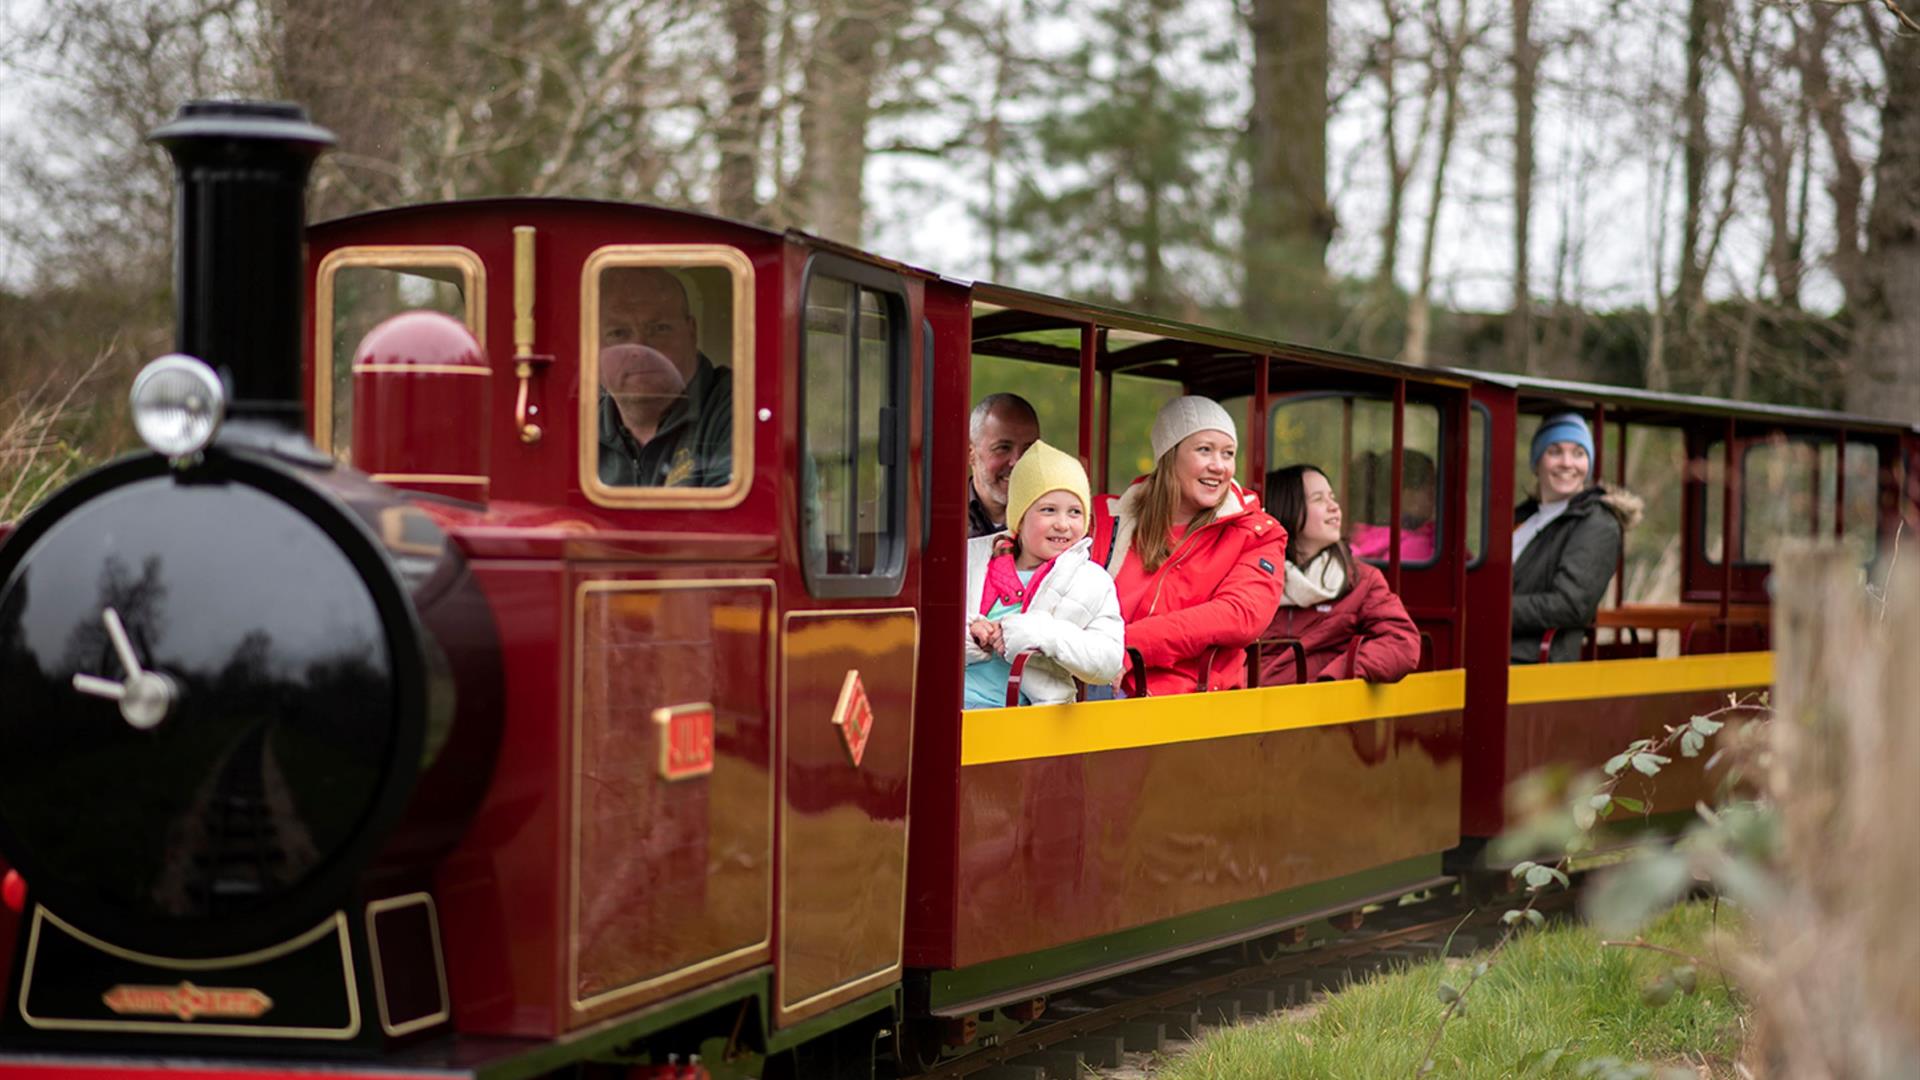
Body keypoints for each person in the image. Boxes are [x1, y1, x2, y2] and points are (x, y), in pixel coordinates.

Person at [1094, 396, 1286, 696]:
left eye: (1228, 453)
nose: (1219, 466)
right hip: (1095, 692)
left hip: (1191, 706)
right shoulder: (1106, 519)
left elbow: (1238, 616)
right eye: (1204, 450)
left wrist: (1127, 646)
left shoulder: (1257, 533)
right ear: (1170, 455)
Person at [963, 441, 1124, 708]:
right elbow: (928, 628)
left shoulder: (1093, 581)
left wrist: (1044, 634)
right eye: (1048, 510)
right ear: (1021, 516)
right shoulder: (975, 559)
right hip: (956, 711)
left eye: (1075, 512)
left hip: (1034, 722)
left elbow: (1108, 660)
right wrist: (971, 633)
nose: (1062, 524)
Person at [1259, 465, 1421, 685]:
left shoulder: (1361, 580)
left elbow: (1401, 642)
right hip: (1247, 708)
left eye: (1332, 497)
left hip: (1319, 710)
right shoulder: (1252, 576)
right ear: (1287, 508)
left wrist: (1337, 675)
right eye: (1318, 499)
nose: (1334, 507)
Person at [1511, 412, 1643, 663]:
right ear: (1537, 461)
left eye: (1578, 453)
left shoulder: (1598, 523)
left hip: (1535, 660)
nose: (1567, 463)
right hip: (1496, 647)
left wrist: (1492, 610)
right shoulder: (1525, 517)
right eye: (1555, 451)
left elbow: (1570, 604)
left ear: (1588, 463)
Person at [596, 267, 732, 487]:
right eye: (619, 333)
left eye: (660, 329)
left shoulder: (740, 410)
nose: (640, 348)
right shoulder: (576, 428)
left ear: (691, 333)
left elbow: (732, 520)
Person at [967, 393, 1042, 537]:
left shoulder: (1053, 519)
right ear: (971, 453)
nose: (1017, 462)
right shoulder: (937, 517)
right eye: (1003, 448)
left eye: (1028, 449)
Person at [1348, 449, 1437, 562]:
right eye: (1430, 486)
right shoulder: (1418, 547)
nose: (1436, 495)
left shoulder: (1358, 537)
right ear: (1407, 496)